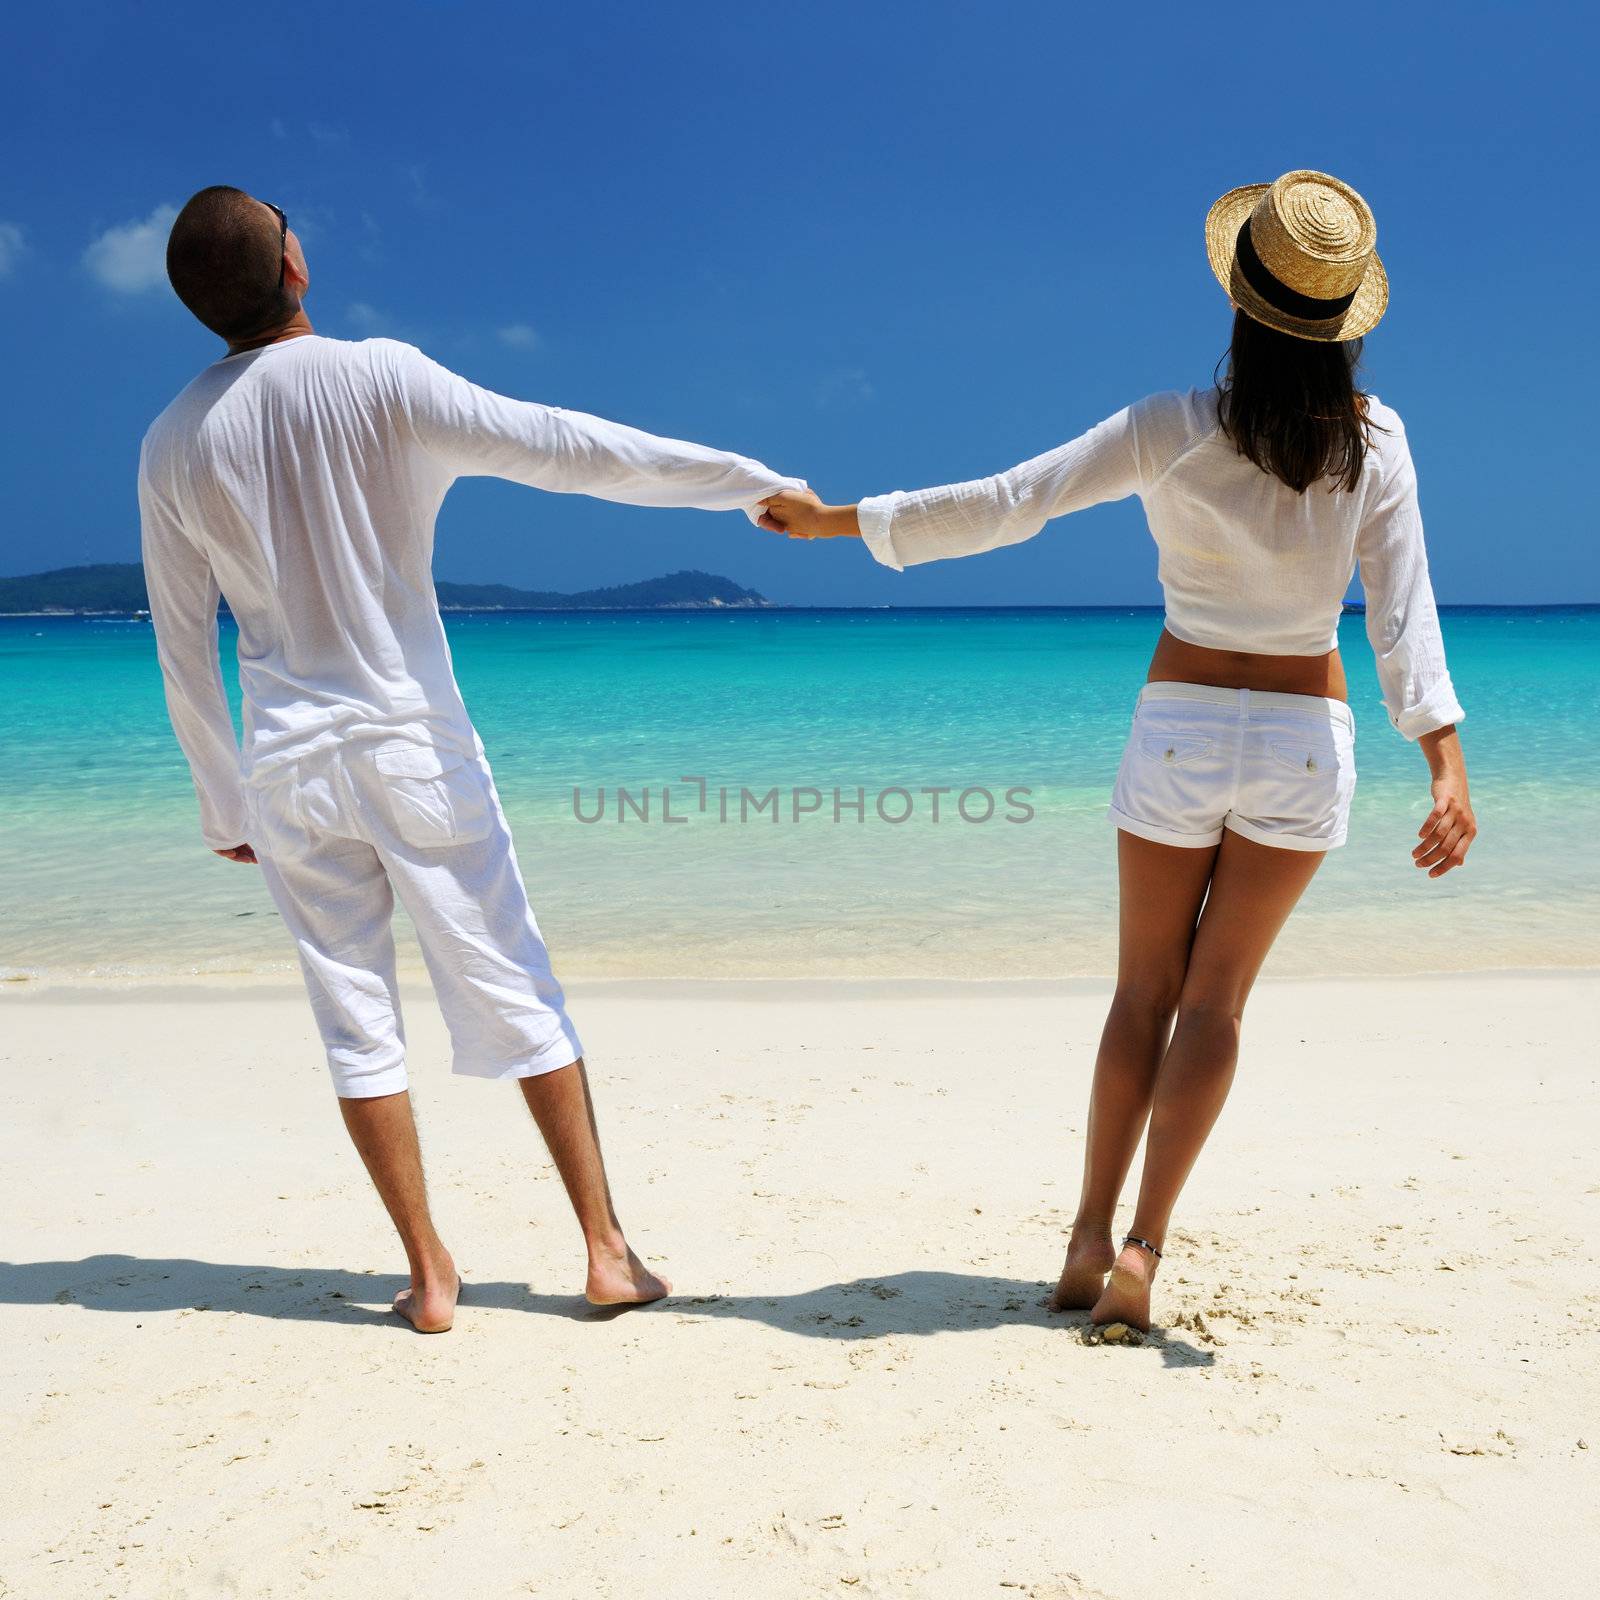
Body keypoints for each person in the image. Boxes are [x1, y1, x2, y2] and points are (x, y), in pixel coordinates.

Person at [758, 170, 1477, 1332]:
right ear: (1342, 329)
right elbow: (1404, 615)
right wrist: (1442, 762)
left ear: (1240, 302)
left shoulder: (1169, 429)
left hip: (1181, 726)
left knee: (1142, 991)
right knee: (1216, 1005)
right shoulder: (1375, 445)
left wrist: (840, 519)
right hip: (1304, 738)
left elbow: (1007, 502)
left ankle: (1088, 1234)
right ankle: (1146, 1246)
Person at [141, 185, 808, 1332]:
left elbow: (180, 648)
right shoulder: (381, 377)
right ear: (293, 266)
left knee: (355, 1017)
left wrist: (221, 802)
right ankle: (604, 1252)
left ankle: (429, 1274)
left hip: (292, 764)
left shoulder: (172, 443)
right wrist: (746, 479)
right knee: (514, 982)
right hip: (410, 744)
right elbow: (570, 447)